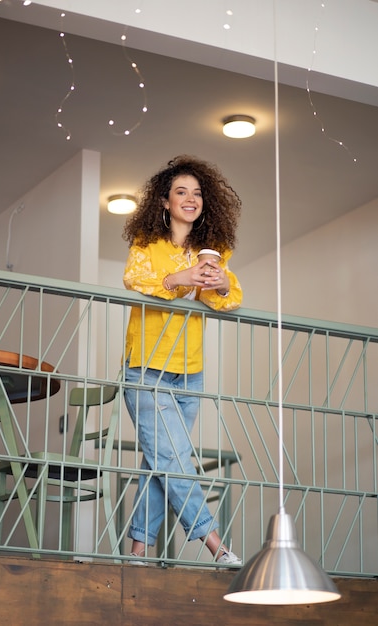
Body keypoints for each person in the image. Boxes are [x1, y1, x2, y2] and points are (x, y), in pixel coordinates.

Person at [122, 155, 243, 566]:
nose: (190, 199)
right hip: (145, 366)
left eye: (197, 193)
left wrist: (221, 282)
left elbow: (228, 298)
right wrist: (179, 279)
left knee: (161, 463)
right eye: (181, 192)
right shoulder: (147, 244)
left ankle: (138, 550)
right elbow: (135, 280)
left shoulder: (213, 252)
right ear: (164, 201)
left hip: (189, 372)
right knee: (173, 458)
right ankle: (215, 543)